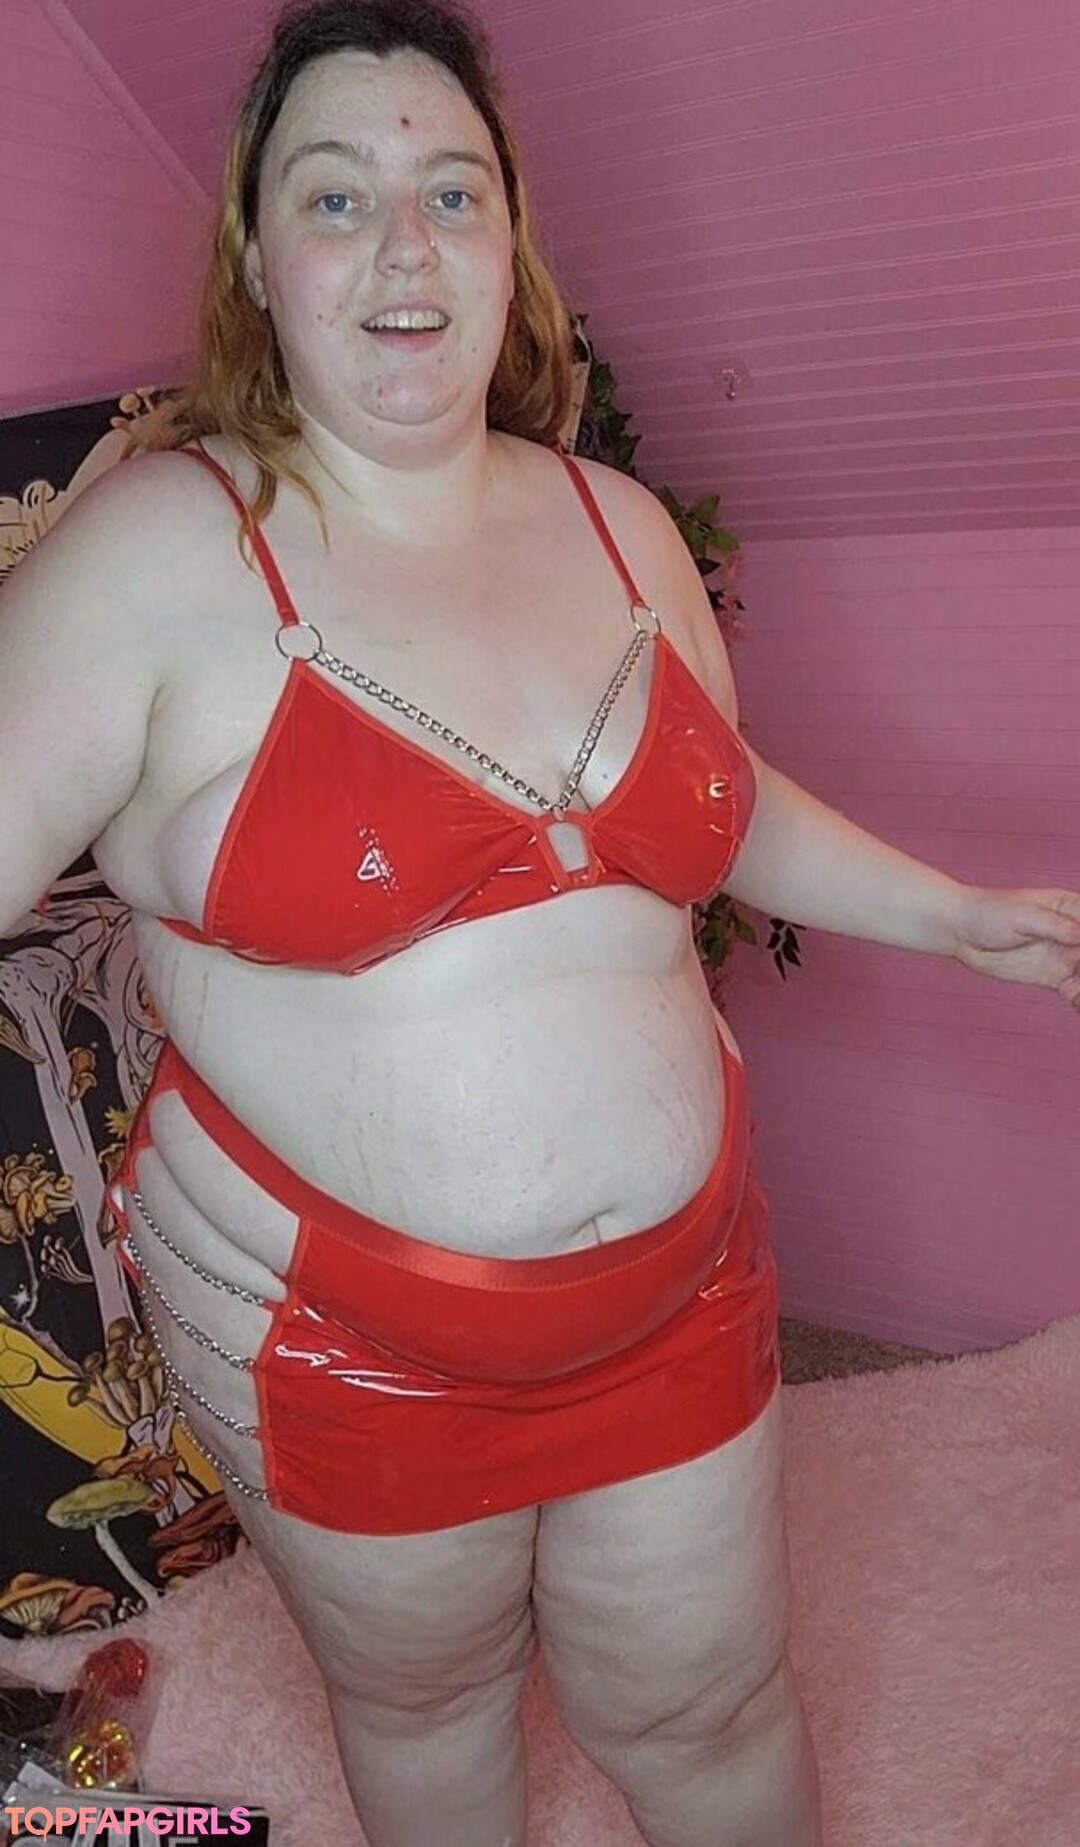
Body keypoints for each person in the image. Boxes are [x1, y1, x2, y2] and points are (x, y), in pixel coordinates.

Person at [3, 2, 1078, 1842]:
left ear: (513, 240)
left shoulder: (621, 525)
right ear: (255, 255)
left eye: (451, 192)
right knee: (430, 1717)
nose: (402, 248)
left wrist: (952, 914)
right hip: (337, 1330)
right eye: (335, 197)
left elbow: (717, 800)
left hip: (684, 1283)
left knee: (715, 1706)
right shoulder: (153, 555)